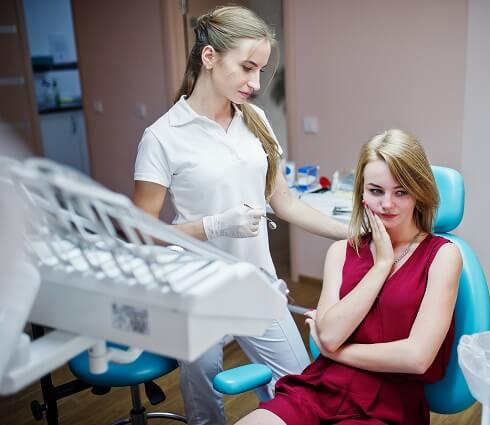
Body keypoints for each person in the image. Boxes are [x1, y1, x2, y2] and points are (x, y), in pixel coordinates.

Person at [132, 6, 348, 424]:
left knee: (299, 385)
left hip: (256, 282)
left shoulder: (256, 120)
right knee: (205, 404)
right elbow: (142, 232)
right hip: (196, 291)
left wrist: (350, 232)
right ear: (209, 57)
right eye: (248, 67)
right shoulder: (161, 137)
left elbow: (283, 202)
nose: (256, 83)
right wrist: (213, 225)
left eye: (261, 71)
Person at [237, 129, 462, 425]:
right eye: (376, 191)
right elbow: (329, 335)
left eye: (401, 191)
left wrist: (338, 353)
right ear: (362, 193)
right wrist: (381, 265)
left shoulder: (443, 256)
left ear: (419, 192)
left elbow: (417, 358)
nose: (387, 204)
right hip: (321, 387)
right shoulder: (341, 252)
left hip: (390, 404)